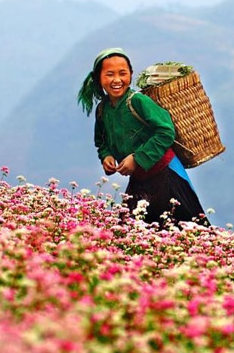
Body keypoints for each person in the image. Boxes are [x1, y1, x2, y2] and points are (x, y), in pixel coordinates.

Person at [77, 47, 209, 226]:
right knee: (131, 231)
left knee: (189, 229)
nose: (117, 80)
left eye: (122, 73)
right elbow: (101, 140)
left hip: (167, 174)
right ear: (98, 78)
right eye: (109, 74)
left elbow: (165, 132)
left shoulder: (138, 101)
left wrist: (137, 158)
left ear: (130, 75)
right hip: (139, 179)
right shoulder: (103, 109)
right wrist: (106, 156)